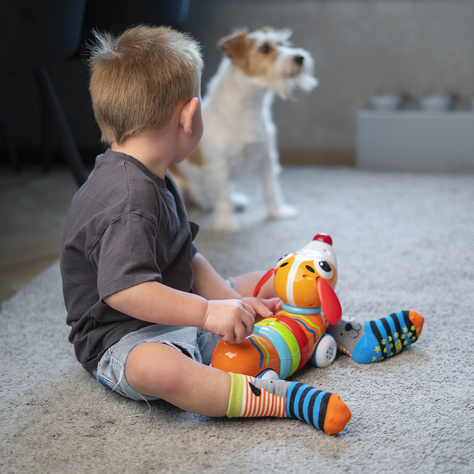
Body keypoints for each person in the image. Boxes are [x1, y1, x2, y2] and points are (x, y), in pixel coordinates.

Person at [60, 25, 351, 435]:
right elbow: (125, 291)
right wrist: (207, 312)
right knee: (160, 371)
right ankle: (272, 397)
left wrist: (233, 300)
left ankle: (317, 323)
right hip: (122, 335)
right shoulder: (128, 203)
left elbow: (189, 258)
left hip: (177, 301)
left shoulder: (156, 177)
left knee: (261, 281)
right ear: (190, 116)